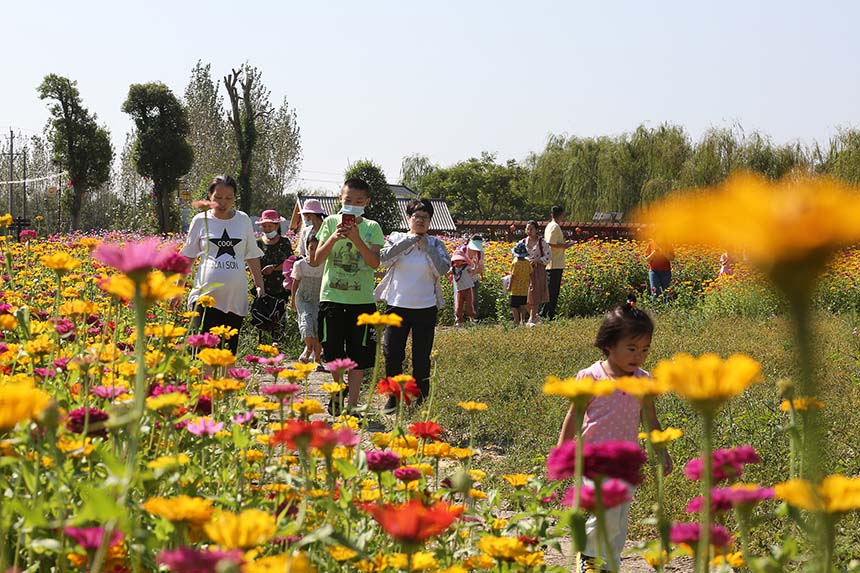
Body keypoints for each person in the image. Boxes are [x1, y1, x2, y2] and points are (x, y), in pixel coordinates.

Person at [557, 297, 672, 572]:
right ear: (609, 345)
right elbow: (574, 414)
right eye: (631, 348)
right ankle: (589, 559)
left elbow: (650, 418)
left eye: (645, 349)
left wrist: (661, 450)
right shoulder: (591, 377)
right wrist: (563, 449)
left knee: (619, 518)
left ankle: (610, 562)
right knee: (605, 512)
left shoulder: (643, 380)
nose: (639, 356)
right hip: (594, 460)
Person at [309, 178, 384, 414]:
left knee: (359, 355)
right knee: (331, 351)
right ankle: (338, 388)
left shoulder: (372, 227)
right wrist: (334, 237)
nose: (352, 205)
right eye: (348, 200)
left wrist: (356, 239)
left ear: (367, 202)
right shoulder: (330, 223)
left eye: (358, 201)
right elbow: (316, 260)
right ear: (340, 199)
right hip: (331, 297)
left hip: (361, 301)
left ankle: (352, 404)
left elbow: (373, 263)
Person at [375, 198, 451, 413]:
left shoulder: (436, 244)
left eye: (425, 217)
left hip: (425, 308)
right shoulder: (397, 238)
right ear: (408, 218)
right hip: (397, 306)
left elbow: (444, 269)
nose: (420, 220)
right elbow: (383, 259)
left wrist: (427, 247)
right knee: (392, 353)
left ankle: (421, 397)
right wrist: (409, 242)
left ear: (430, 221)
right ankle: (393, 397)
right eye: (416, 216)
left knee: (421, 356)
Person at [181, 175, 265, 355]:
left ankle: (222, 383)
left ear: (235, 198)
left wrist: (259, 285)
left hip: (235, 298)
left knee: (226, 353)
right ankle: (203, 383)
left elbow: (251, 254)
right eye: (218, 197)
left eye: (229, 198)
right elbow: (188, 256)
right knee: (203, 351)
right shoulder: (200, 220)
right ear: (209, 196)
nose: (223, 202)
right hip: (204, 296)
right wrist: (177, 288)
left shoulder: (242, 220)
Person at [290, 199, 327, 365]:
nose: (305, 218)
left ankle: (317, 356)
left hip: (321, 281)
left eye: (307, 214)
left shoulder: (328, 228)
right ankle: (308, 349)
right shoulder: (306, 231)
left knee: (319, 325)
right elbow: (302, 252)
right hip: (306, 279)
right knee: (306, 320)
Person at [255, 209, 294, 340]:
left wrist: (274, 268)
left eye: (270, 226)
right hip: (263, 284)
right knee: (263, 313)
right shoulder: (258, 243)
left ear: (277, 225)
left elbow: (290, 263)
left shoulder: (284, 242)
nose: (267, 228)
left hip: (280, 285)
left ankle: (278, 341)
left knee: (279, 313)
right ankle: (263, 341)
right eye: (264, 226)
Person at [541, 205, 575, 320]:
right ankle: (547, 314)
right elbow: (551, 243)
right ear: (560, 215)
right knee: (553, 291)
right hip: (554, 262)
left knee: (552, 290)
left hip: (554, 262)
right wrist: (565, 245)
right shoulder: (554, 227)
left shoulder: (550, 225)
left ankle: (547, 313)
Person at [521, 220, 550, 326]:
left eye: (531, 229)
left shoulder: (542, 242)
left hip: (538, 269)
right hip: (525, 270)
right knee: (525, 295)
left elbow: (548, 257)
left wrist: (538, 260)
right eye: (527, 228)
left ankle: (531, 319)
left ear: (536, 230)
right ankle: (535, 316)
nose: (529, 231)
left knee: (535, 294)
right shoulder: (522, 242)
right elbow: (515, 255)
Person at [450, 251, 477, 326]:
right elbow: (447, 273)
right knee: (459, 306)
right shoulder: (453, 269)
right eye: (456, 260)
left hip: (468, 288)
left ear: (463, 260)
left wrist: (475, 264)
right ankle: (459, 320)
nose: (457, 262)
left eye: (459, 260)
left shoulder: (466, 267)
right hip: (460, 290)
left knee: (469, 305)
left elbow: (473, 270)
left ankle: (472, 319)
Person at [508, 242, 531, 325]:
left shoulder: (515, 264)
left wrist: (509, 287)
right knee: (523, 305)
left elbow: (512, 276)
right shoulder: (527, 263)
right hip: (524, 288)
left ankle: (516, 321)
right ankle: (523, 320)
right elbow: (530, 273)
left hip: (515, 289)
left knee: (514, 306)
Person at [466, 235, 485, 317]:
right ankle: (460, 319)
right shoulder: (462, 251)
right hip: (462, 280)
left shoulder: (480, 253)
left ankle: (474, 318)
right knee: (461, 300)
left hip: (474, 280)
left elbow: (481, 269)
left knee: (474, 300)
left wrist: (474, 270)